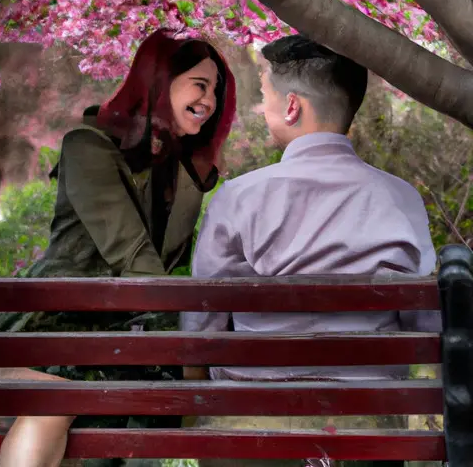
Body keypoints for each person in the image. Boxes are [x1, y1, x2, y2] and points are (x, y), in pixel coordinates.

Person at [180, 34, 440, 467]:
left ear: (292, 107)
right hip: (368, 421)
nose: (259, 109)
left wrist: (196, 401)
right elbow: (425, 324)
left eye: (264, 97)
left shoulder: (238, 198)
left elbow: (201, 325)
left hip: (254, 425)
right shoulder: (401, 198)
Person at [0, 28, 236, 467]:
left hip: (127, 330)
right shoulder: (88, 146)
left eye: (217, 91)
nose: (211, 101)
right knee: (58, 396)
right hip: (55, 325)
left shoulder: (184, 174)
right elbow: (134, 258)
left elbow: (173, 269)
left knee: (162, 396)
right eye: (200, 85)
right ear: (161, 83)